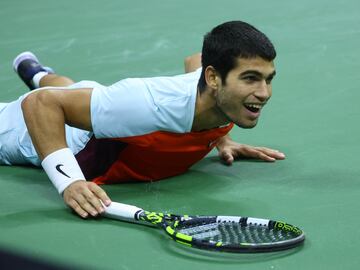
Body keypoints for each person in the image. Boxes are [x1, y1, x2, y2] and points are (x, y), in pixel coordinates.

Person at [0, 21, 285, 219]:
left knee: (76, 90)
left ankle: (35, 72)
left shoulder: (222, 93)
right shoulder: (148, 103)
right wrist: (69, 182)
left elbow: (194, 59)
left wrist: (223, 139)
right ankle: (38, 78)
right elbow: (41, 104)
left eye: (268, 79)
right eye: (250, 79)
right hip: (52, 132)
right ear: (213, 78)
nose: (264, 93)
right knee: (58, 95)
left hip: (100, 102)